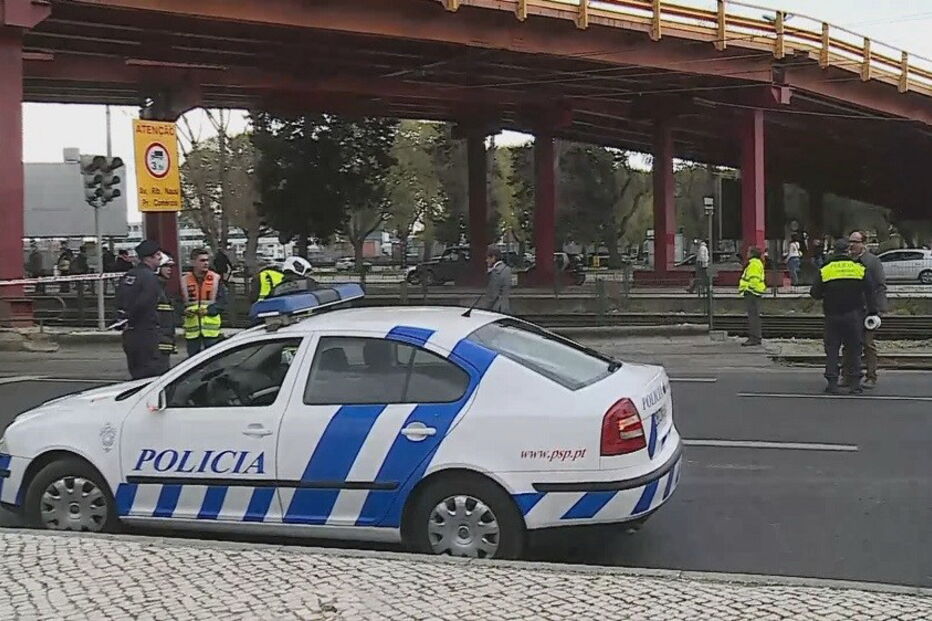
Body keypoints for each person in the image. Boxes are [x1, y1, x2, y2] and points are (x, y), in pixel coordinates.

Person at [810, 239, 878, 394]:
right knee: (854, 349)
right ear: (848, 251)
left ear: (834, 251)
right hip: (854, 315)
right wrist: (872, 312)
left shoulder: (826, 269)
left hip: (832, 315)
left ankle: (832, 382)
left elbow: (815, 293)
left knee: (832, 349)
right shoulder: (859, 268)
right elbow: (870, 291)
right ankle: (855, 384)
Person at [115, 240, 164, 380]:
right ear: (149, 258)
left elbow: (119, 300)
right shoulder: (150, 278)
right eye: (158, 255)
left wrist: (124, 318)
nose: (160, 258)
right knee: (149, 376)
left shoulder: (129, 276)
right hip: (145, 332)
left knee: (136, 372)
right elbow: (146, 303)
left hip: (129, 334)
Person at [845, 230, 887, 389]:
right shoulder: (847, 261)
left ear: (863, 243)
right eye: (850, 241)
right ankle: (847, 375)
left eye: (855, 242)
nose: (852, 245)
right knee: (848, 343)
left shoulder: (872, 261)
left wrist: (878, 309)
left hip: (868, 309)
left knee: (868, 343)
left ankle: (871, 376)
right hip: (850, 308)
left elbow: (880, 285)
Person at [181, 248, 227, 357]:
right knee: (192, 363)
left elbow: (223, 302)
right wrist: (183, 311)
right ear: (193, 262)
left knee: (213, 362)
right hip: (192, 332)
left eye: (207, 260)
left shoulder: (215, 279)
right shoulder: (184, 280)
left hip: (211, 332)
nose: (206, 263)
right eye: (202, 260)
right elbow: (176, 302)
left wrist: (208, 311)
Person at [738, 246, 766, 346]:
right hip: (755, 292)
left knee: (753, 317)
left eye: (748, 252)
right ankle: (756, 337)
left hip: (752, 293)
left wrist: (749, 289)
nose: (747, 254)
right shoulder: (757, 263)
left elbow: (754, 279)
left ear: (752, 253)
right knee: (755, 316)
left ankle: (754, 338)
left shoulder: (753, 264)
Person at [155, 254, 178, 374]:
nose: (170, 269)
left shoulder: (163, 288)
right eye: (166, 266)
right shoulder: (156, 289)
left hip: (164, 341)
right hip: (158, 343)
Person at [484, 246, 512, 314]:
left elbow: (493, 295)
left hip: (497, 308)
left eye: (488, 258)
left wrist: (485, 309)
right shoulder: (507, 269)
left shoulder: (496, 272)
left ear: (493, 258)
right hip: (505, 306)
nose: (486, 260)